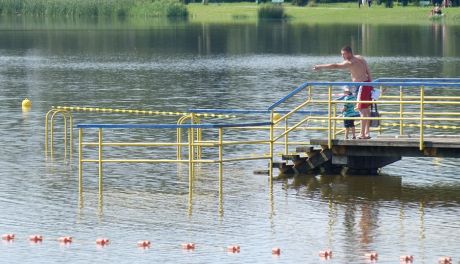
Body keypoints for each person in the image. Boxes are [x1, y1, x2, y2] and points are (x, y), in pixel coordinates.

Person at [313, 46, 373, 139]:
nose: (342, 56)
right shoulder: (360, 57)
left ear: (349, 53)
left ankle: (362, 134)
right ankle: (366, 133)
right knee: (366, 110)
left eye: (343, 54)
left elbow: (335, 66)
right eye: (341, 54)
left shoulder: (350, 62)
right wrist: (371, 83)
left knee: (362, 110)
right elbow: (368, 71)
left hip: (361, 86)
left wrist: (320, 67)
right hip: (367, 83)